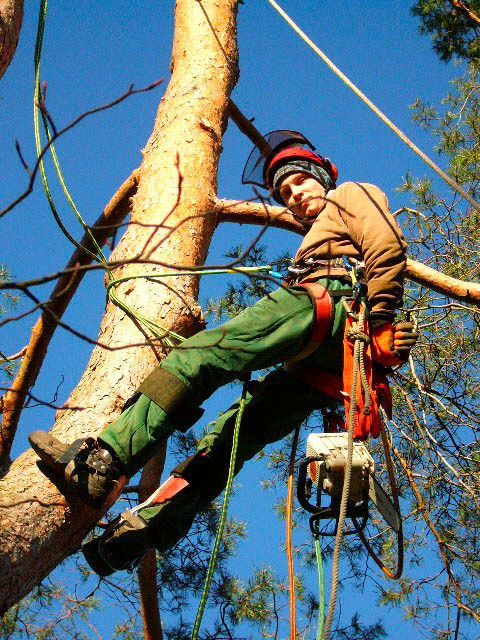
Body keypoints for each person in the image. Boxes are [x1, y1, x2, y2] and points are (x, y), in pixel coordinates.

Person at [29, 131, 418, 576]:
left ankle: (104, 460)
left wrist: (382, 318)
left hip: (328, 304)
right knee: (232, 438)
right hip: (325, 361)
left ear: (320, 176)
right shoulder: (319, 232)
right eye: (285, 192)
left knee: (200, 356)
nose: (293, 195)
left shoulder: (352, 194)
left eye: (298, 183)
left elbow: (386, 247)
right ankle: (143, 531)